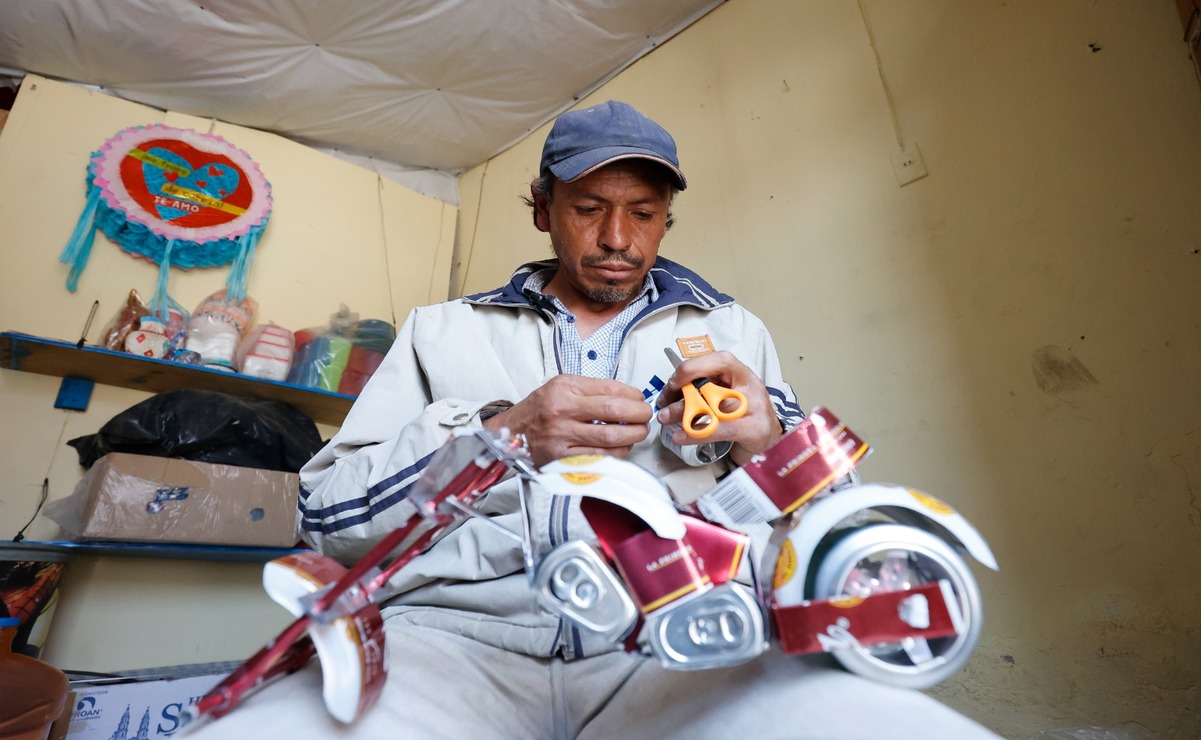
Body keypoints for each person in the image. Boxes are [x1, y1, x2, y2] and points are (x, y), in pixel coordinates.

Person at [190, 100, 997, 738]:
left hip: (680, 649)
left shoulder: (733, 333)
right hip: (451, 646)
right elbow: (325, 515)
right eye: (588, 207)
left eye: (643, 213)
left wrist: (769, 440)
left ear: (667, 218)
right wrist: (499, 436)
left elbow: (834, 532)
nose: (617, 239)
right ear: (542, 208)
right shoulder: (444, 331)